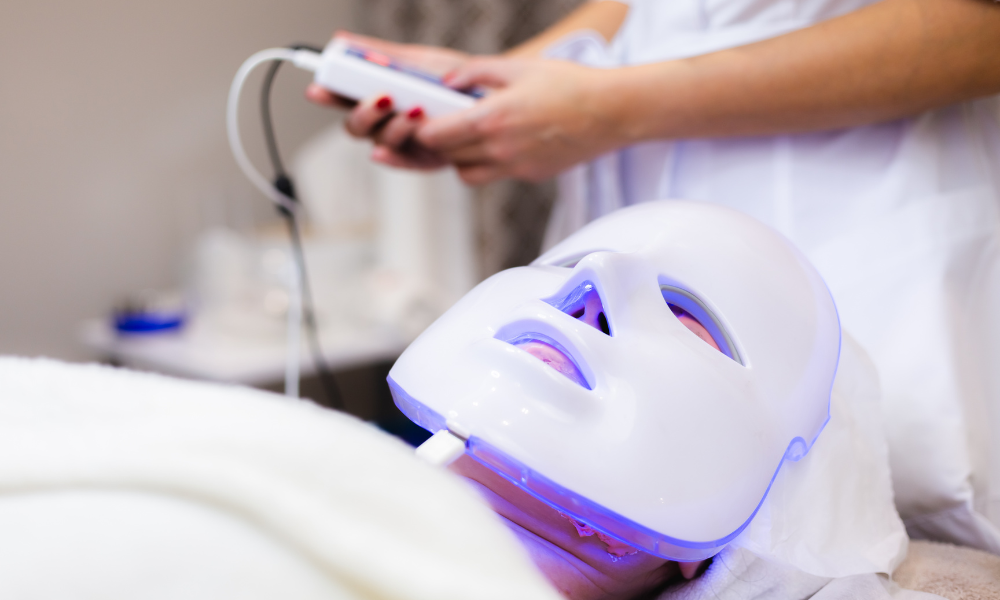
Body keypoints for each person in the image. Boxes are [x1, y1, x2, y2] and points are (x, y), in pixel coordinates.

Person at [309, 0, 1000, 555]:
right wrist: (489, 88)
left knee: (851, 485)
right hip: (635, 154)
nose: (599, 285)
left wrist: (610, 107)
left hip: (860, 186)